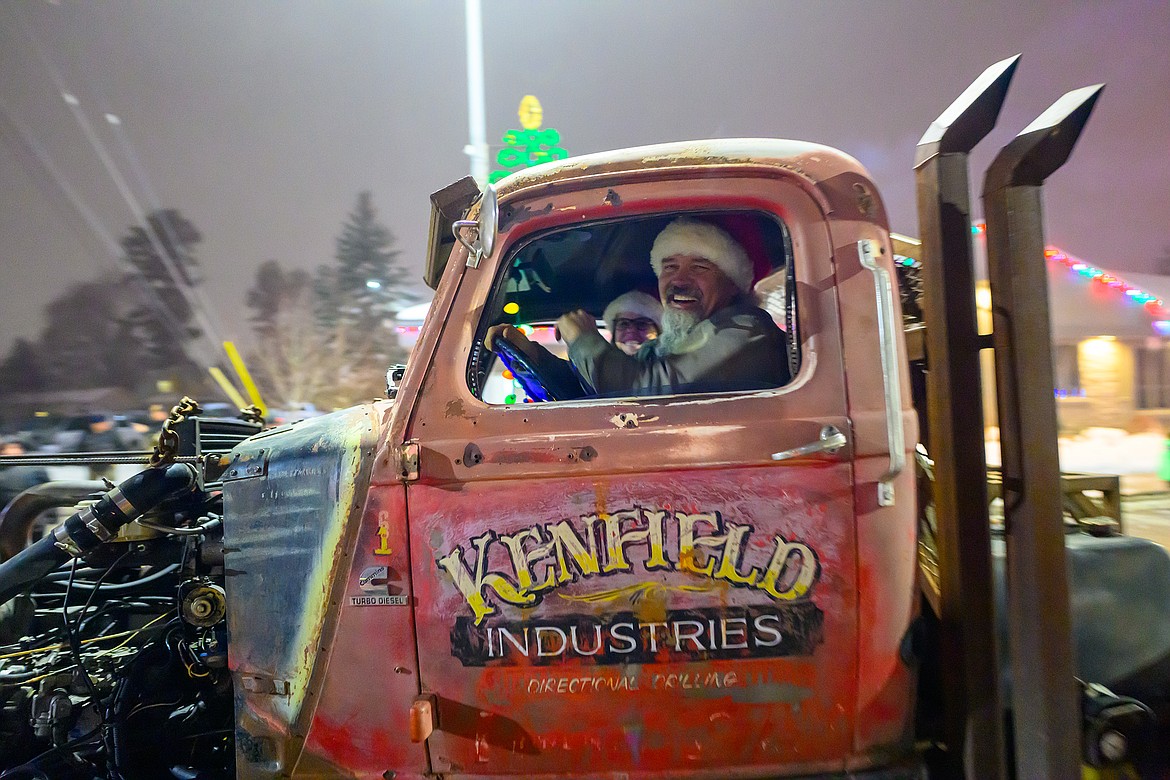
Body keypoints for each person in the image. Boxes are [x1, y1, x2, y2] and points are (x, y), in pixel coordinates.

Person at [488, 217, 790, 396]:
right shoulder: (667, 347)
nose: (679, 281)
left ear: (732, 283)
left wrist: (583, 338)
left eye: (699, 268)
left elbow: (643, 392)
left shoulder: (747, 331)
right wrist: (531, 357)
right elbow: (593, 398)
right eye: (669, 267)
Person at [602, 290, 662, 356]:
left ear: (658, 331)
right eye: (623, 324)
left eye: (641, 323)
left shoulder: (671, 365)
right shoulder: (600, 365)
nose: (631, 330)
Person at [0, 439, 48, 511]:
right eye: (11, 448)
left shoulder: (34, 469)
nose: (15, 450)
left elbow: (48, 491)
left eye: (17, 447)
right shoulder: (3, 471)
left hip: (33, 510)